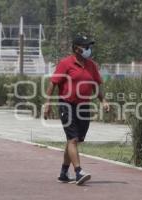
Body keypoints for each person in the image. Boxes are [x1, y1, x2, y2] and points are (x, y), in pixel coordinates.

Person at [44, 35, 110, 186]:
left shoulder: (91, 65)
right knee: (73, 139)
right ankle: (78, 171)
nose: (89, 49)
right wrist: (47, 104)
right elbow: (53, 84)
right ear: (76, 48)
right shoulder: (65, 64)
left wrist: (103, 100)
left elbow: (95, 85)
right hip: (66, 104)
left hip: (83, 106)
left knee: (75, 140)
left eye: (89, 46)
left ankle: (63, 173)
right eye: (86, 46)